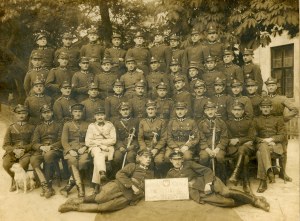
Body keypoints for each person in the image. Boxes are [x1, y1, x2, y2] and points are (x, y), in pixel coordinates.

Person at [166, 151, 270, 212]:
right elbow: (168, 188)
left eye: (179, 159)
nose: (177, 162)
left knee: (226, 192)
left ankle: (255, 201)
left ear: (182, 159)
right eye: (175, 160)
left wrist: (208, 184)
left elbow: (207, 170)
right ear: (171, 160)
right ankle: (252, 198)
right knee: (227, 202)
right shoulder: (170, 174)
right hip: (199, 193)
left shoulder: (189, 164)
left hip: (209, 181)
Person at [58, 149, 155, 213]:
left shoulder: (151, 173)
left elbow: (148, 188)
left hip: (128, 196)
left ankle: (74, 208)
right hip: (118, 186)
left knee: (104, 208)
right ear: (139, 158)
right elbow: (120, 174)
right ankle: (75, 201)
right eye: (146, 157)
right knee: (100, 198)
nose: (148, 159)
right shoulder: (133, 166)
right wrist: (132, 185)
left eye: (150, 158)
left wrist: (137, 197)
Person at [264, 77, 299, 181]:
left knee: (283, 149)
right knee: (271, 147)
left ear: (276, 86)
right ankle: (273, 170)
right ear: (266, 87)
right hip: (268, 126)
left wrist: (284, 118)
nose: (270, 87)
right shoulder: (263, 98)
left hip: (280, 127)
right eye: (269, 85)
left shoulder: (282, 98)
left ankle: (283, 172)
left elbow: (295, 110)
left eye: (273, 85)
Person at [253, 98, 286, 193]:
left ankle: (264, 180)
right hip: (261, 144)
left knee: (260, 153)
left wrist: (272, 139)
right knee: (263, 147)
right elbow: (253, 136)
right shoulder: (256, 120)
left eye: (267, 107)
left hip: (274, 147)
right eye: (263, 107)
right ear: (260, 108)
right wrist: (263, 140)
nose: (265, 109)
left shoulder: (278, 119)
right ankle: (267, 173)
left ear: (271, 108)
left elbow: (282, 135)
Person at [30, 104, 62, 198]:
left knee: (48, 156)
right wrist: (41, 147)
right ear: (42, 115)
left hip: (55, 150)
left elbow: (61, 141)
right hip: (42, 150)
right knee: (33, 160)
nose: (47, 114)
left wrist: (51, 147)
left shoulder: (58, 125)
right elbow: (34, 143)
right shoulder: (38, 127)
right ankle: (45, 186)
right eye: (44, 113)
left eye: (48, 112)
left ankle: (49, 185)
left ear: (52, 113)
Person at [2, 105, 35, 192]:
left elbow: (33, 143)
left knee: (21, 165)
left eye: (23, 113)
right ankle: (14, 179)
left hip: (26, 152)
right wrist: (14, 150)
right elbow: (5, 144)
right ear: (15, 115)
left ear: (27, 114)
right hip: (13, 152)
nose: (21, 115)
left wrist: (24, 149)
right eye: (19, 113)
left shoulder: (32, 127)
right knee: (6, 164)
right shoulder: (11, 128)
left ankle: (23, 181)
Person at [61, 103, 91, 198]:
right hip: (71, 149)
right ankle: (80, 188)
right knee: (73, 161)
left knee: (82, 162)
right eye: (75, 111)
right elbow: (64, 141)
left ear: (82, 113)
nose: (77, 113)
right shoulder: (67, 125)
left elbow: (91, 139)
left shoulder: (88, 124)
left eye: (79, 111)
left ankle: (68, 186)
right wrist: (69, 150)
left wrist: (85, 147)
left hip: (83, 149)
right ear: (72, 113)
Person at [85, 106, 116, 194]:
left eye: (102, 115)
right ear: (94, 116)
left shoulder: (110, 125)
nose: (100, 117)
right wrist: (101, 145)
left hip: (108, 149)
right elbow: (87, 142)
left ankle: (97, 184)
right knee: (98, 153)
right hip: (95, 148)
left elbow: (113, 140)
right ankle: (102, 173)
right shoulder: (91, 126)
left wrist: (98, 142)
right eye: (98, 115)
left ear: (105, 116)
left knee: (98, 159)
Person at [226, 101, 256, 193]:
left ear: (243, 111)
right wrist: (232, 141)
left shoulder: (249, 122)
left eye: (239, 110)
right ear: (232, 111)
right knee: (245, 156)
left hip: (248, 147)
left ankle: (235, 175)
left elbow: (252, 137)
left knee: (243, 149)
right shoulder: (228, 123)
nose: (237, 112)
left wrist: (238, 140)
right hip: (233, 148)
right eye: (235, 110)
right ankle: (245, 183)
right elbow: (226, 137)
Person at [198, 101, 228, 183]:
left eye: (212, 109)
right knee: (203, 157)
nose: (210, 112)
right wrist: (207, 149)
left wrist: (217, 149)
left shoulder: (221, 123)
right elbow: (201, 139)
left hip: (218, 148)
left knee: (220, 157)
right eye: (207, 110)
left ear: (215, 110)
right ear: (205, 111)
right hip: (206, 148)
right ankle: (205, 180)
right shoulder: (201, 124)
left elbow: (224, 138)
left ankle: (221, 180)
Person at [138, 100, 167, 177]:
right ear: (146, 110)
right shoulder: (142, 122)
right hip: (146, 146)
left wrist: (156, 149)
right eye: (149, 109)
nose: (150, 111)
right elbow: (140, 138)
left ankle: (158, 176)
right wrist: (144, 149)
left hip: (158, 147)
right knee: (141, 160)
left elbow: (164, 138)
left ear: (156, 110)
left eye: (152, 109)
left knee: (159, 161)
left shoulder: (162, 122)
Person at [112, 102, 139, 172]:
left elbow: (139, 136)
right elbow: (116, 137)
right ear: (120, 111)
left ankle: (130, 173)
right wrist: (120, 147)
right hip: (122, 145)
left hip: (132, 144)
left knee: (130, 156)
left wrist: (133, 145)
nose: (125, 112)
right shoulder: (117, 122)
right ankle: (117, 174)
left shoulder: (135, 121)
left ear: (129, 110)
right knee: (117, 157)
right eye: (123, 110)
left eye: (127, 109)